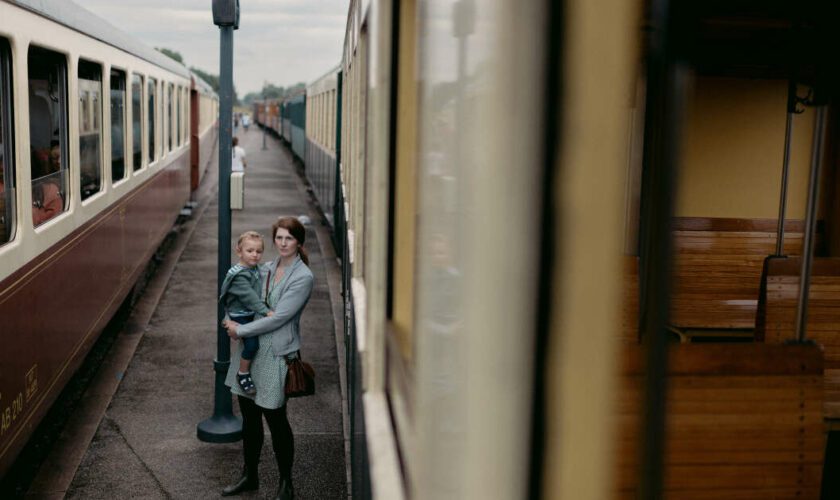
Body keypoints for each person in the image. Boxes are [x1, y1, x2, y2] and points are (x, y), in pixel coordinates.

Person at [221, 216, 314, 500]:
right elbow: (239, 296)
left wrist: (241, 329)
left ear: (298, 242)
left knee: (276, 420)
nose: (283, 243)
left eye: (289, 238)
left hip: (276, 354)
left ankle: (286, 483)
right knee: (249, 420)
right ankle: (250, 474)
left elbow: (280, 318)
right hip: (251, 350)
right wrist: (229, 320)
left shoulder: (303, 277)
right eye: (279, 238)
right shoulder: (264, 267)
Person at [220, 231, 274, 395]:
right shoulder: (239, 276)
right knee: (252, 345)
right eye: (249, 251)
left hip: (248, 312)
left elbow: (265, 270)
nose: (255, 255)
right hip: (241, 315)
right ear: (239, 251)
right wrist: (267, 312)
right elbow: (250, 298)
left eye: (258, 251)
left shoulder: (252, 268)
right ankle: (243, 373)